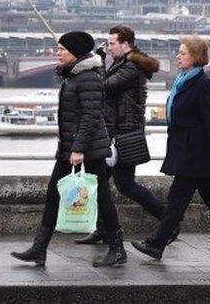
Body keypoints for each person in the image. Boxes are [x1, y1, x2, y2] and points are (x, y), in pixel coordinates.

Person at [11, 31, 125, 267]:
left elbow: (92, 116)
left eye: (62, 49)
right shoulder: (73, 76)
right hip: (69, 147)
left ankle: (117, 248)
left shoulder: (88, 78)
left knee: (103, 198)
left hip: (87, 149)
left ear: (75, 52)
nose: (57, 53)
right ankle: (39, 249)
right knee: (53, 193)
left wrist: (79, 148)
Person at [131, 36, 210, 261]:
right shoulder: (183, 80)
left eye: (182, 53)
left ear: (195, 58)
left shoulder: (203, 84)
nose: (178, 56)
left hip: (196, 152)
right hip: (186, 149)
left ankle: (157, 244)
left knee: (177, 199)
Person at [76, 26, 168, 245]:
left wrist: (96, 64)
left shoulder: (132, 67)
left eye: (111, 44)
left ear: (125, 44)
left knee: (125, 185)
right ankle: (104, 229)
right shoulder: (122, 63)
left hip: (124, 135)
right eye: (107, 44)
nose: (108, 48)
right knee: (100, 182)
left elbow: (106, 86)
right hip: (114, 132)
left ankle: (168, 219)